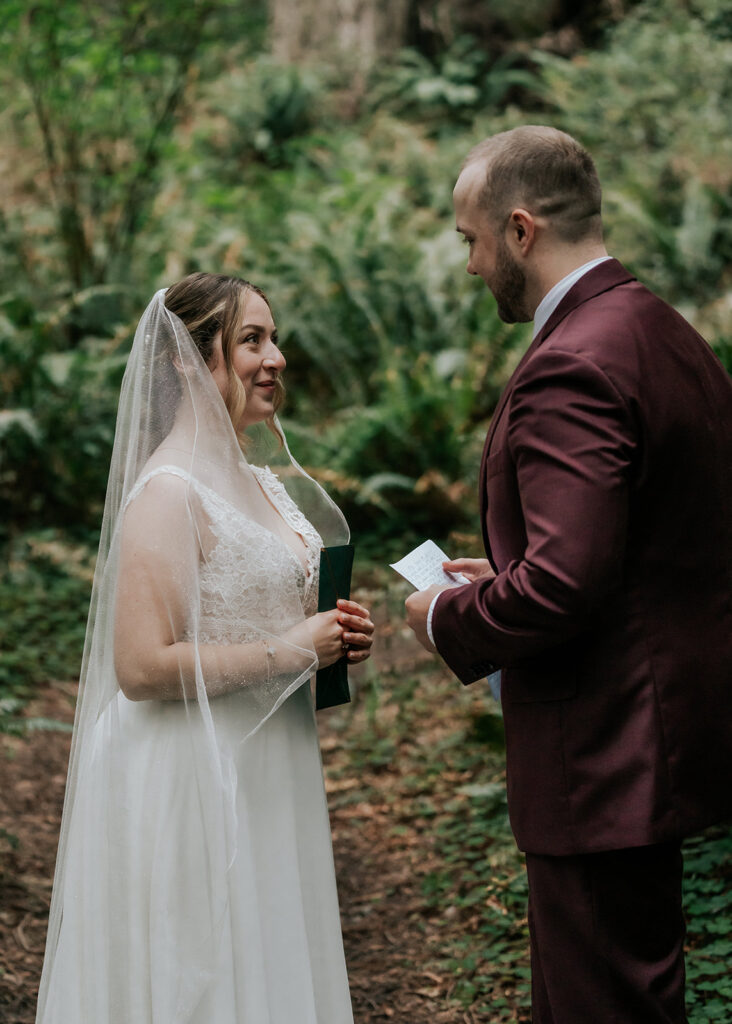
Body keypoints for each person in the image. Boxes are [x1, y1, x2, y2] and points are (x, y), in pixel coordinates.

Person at [405, 126, 732, 1023]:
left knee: (602, 1005)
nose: (469, 266)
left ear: (519, 230)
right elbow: (644, 547)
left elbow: (564, 585)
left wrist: (444, 615)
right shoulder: (664, 331)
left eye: (470, 239)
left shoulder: (571, 365)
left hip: (602, 755)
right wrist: (506, 571)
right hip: (660, 738)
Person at [37, 272, 374, 1024]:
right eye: (251, 339)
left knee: (269, 961)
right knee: (207, 977)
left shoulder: (261, 481)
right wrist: (291, 650)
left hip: (267, 760)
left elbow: (271, 613)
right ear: (191, 362)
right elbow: (140, 666)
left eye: (274, 337)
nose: (276, 356)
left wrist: (333, 634)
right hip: (190, 773)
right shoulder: (168, 491)